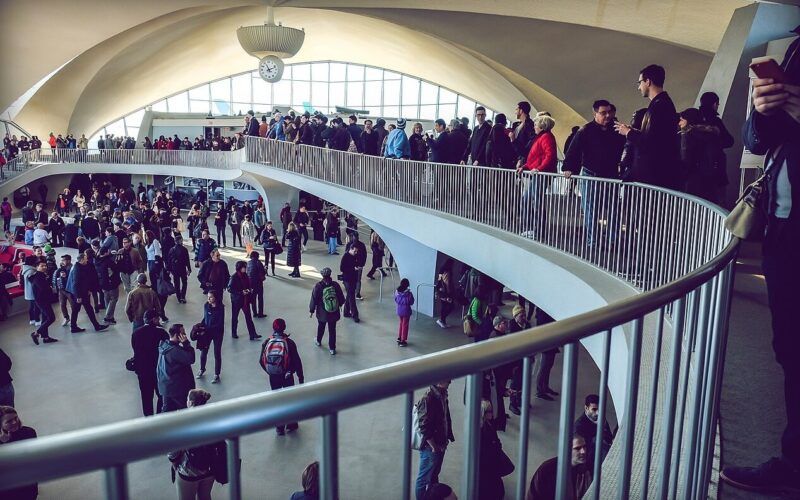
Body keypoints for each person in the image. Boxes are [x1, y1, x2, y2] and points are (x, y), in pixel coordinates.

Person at [721, 36, 800, 494]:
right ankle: (795, 460)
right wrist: (761, 106)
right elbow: (755, 138)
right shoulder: (796, 50)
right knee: (790, 347)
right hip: (784, 225)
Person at [561, 99, 626, 248]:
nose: (608, 115)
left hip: (610, 175)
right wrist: (569, 167)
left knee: (613, 209)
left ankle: (613, 241)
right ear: (595, 113)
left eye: (609, 112)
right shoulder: (585, 130)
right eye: (603, 113)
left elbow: (626, 148)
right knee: (591, 210)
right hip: (591, 174)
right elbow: (574, 150)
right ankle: (594, 241)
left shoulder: (617, 130)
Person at [614, 64, 680, 189]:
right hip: (657, 174)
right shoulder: (662, 103)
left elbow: (652, 143)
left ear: (648, 81)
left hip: (654, 176)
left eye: (640, 82)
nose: (639, 87)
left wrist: (628, 133)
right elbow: (655, 137)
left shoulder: (659, 107)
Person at [168, 389, 226, 500]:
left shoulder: (182, 420)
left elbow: (173, 449)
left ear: (190, 402)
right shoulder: (213, 417)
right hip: (210, 469)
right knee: (205, 496)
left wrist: (174, 461)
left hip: (188, 471)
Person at [259, 318, 304, 435]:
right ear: (284, 327)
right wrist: (300, 377)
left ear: (273, 328)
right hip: (287, 375)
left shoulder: (267, 342)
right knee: (290, 399)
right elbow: (297, 361)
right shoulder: (289, 342)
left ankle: (279, 427)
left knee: (277, 400)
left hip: (274, 376)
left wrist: (270, 371)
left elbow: (261, 361)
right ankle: (291, 424)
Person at [517, 114, 558, 237]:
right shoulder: (542, 137)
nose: (534, 126)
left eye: (535, 124)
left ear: (542, 126)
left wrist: (539, 169)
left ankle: (537, 230)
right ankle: (532, 228)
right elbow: (537, 158)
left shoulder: (546, 137)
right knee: (529, 200)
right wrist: (525, 167)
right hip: (539, 173)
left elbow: (549, 156)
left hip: (542, 175)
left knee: (535, 201)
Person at [415, 380, 455, 500]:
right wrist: (434, 447)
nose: (450, 381)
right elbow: (424, 427)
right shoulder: (428, 398)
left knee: (433, 477)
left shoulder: (442, 394)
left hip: (440, 444)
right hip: (431, 448)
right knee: (424, 479)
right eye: (447, 379)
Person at [526, 435, 591, 500]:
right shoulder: (547, 469)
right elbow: (533, 496)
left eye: (584, 446)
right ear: (567, 449)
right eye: (577, 448)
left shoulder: (586, 470)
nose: (583, 451)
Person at [131, 310, 169, 416]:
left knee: (146, 397)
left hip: (142, 371)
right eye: (158, 318)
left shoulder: (136, 333)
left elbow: (135, 349)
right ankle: (159, 415)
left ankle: (148, 419)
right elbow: (167, 350)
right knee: (161, 394)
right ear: (154, 319)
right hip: (158, 370)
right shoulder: (161, 332)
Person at [0, 406, 38, 500]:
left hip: (27, 479)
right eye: (9, 421)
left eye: (15, 418)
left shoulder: (29, 432)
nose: (14, 422)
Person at [66, 251, 109, 333]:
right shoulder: (77, 269)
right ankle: (95, 326)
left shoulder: (81, 266)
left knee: (80, 310)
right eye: (85, 259)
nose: (87, 260)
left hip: (82, 292)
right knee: (84, 309)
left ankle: (74, 327)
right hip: (78, 294)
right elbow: (75, 283)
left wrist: (89, 289)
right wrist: (78, 296)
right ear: (81, 260)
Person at [157, 323, 196, 413]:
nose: (185, 335)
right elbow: (191, 359)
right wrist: (186, 344)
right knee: (185, 414)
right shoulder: (175, 351)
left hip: (166, 388)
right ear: (176, 335)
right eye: (183, 333)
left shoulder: (164, 346)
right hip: (178, 390)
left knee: (167, 414)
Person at [309, 267, 345, 355]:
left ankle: (318, 340)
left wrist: (311, 310)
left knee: (321, 327)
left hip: (322, 313)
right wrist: (338, 305)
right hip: (334, 312)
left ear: (322, 275)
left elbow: (314, 299)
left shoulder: (318, 286)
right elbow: (342, 298)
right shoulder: (335, 285)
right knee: (332, 330)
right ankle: (332, 348)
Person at [574, 394, 614, 468]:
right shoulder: (579, 428)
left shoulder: (600, 418)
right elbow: (581, 454)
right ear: (586, 408)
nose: (598, 413)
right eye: (594, 409)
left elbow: (608, 434)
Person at [227, 260, 261, 340]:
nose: (245, 269)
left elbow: (248, 284)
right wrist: (241, 292)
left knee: (249, 317)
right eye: (244, 267)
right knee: (235, 317)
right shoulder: (234, 277)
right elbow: (230, 289)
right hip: (237, 300)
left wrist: (249, 289)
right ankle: (234, 332)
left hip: (245, 300)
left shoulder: (245, 275)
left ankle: (252, 334)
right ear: (240, 268)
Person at [197, 290, 225, 384]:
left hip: (217, 334)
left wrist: (207, 328)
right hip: (207, 333)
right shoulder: (206, 305)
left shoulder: (221, 308)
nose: (208, 299)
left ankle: (217, 374)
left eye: (211, 297)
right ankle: (202, 369)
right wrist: (200, 326)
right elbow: (205, 318)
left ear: (216, 297)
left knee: (217, 353)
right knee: (203, 352)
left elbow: (220, 323)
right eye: (208, 297)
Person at [29, 260, 58, 345]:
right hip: (42, 300)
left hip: (44, 300)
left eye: (45, 266)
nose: (44, 267)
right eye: (42, 266)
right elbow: (43, 288)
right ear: (37, 267)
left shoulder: (41, 275)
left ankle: (46, 337)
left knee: (45, 318)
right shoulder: (38, 276)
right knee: (51, 318)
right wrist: (50, 288)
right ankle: (36, 333)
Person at [95, 247, 121, 324]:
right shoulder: (108, 261)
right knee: (114, 299)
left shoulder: (97, 261)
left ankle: (111, 317)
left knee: (107, 300)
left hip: (103, 284)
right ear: (106, 253)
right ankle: (107, 317)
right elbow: (115, 269)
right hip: (111, 283)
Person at [167, 235, 192, 304]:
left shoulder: (171, 249)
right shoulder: (184, 249)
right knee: (184, 282)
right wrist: (189, 269)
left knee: (176, 283)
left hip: (175, 269)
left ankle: (178, 298)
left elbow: (169, 260)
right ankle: (183, 296)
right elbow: (187, 260)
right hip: (182, 269)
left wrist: (168, 269)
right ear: (180, 241)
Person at [340, 245, 360, 323]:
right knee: (352, 297)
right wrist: (353, 268)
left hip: (353, 279)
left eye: (356, 251)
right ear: (350, 249)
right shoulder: (345, 256)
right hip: (347, 279)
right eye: (354, 251)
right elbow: (342, 268)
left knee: (349, 295)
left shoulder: (354, 256)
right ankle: (355, 315)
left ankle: (346, 312)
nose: (356, 252)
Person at [395, 278, 414, 346]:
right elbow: (411, 302)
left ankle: (399, 337)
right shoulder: (409, 294)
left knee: (401, 323)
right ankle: (403, 340)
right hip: (406, 311)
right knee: (405, 325)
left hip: (399, 310)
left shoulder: (397, 292)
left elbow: (395, 299)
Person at [435, 260, 455, 329]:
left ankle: (443, 321)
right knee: (450, 306)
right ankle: (441, 320)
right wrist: (449, 294)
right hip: (446, 293)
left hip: (441, 292)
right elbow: (447, 283)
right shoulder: (447, 272)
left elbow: (439, 280)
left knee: (444, 306)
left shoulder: (441, 270)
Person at [247, 251, 267, 318]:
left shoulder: (248, 263)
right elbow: (263, 272)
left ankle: (254, 313)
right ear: (257, 256)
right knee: (260, 298)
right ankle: (260, 313)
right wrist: (265, 269)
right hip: (258, 283)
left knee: (253, 298)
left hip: (251, 283)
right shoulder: (259, 263)